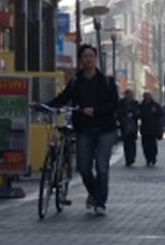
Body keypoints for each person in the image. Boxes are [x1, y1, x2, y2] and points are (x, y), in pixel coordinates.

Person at [43, 44, 119, 216]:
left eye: (91, 56)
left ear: (95, 58)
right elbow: (62, 99)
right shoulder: (76, 81)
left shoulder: (106, 81)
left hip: (105, 129)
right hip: (84, 128)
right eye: (85, 56)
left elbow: (114, 105)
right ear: (80, 60)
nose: (88, 59)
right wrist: (44, 106)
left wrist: (96, 110)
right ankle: (93, 192)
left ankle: (100, 203)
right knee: (83, 167)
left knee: (102, 167)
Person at [139, 91, 163, 166]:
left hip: (153, 128)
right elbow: (139, 115)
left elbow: (161, 114)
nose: (147, 98)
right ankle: (148, 158)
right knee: (145, 145)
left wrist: (155, 112)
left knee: (153, 144)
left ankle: (153, 157)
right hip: (145, 128)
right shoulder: (142, 105)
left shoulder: (155, 105)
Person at [118, 89, 140, 167]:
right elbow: (118, 112)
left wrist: (133, 114)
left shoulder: (135, 103)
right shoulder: (121, 103)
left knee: (132, 142)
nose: (130, 96)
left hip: (133, 125)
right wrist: (125, 114)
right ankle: (128, 158)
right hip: (124, 125)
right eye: (128, 94)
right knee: (126, 142)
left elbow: (138, 113)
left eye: (131, 94)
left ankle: (132, 157)